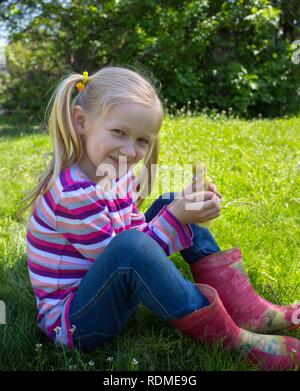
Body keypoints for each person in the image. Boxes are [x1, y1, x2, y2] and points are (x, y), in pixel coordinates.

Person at [22, 66, 299, 370]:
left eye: (143, 140)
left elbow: (137, 235)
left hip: (106, 286)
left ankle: (244, 307)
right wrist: (178, 216)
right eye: (119, 133)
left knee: (168, 203)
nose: (130, 150)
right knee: (141, 238)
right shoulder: (73, 194)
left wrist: (183, 207)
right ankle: (228, 338)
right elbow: (126, 259)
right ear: (81, 121)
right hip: (75, 323)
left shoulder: (115, 174)